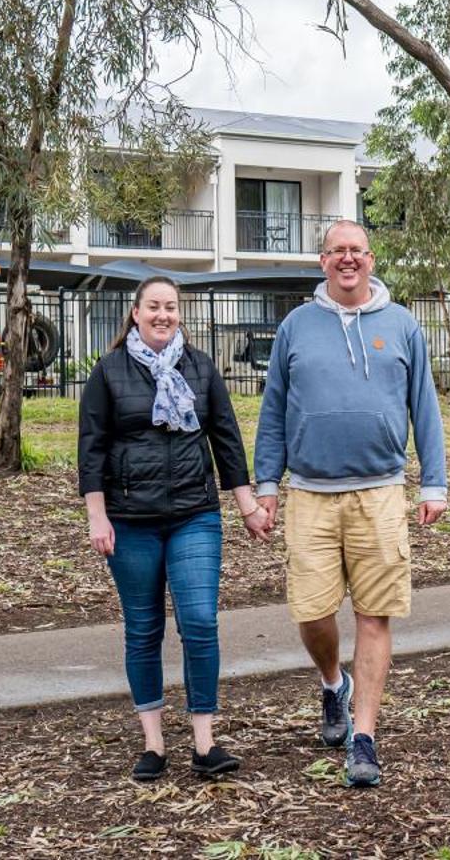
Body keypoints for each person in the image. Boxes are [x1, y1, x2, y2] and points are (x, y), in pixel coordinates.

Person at [254, 219, 448, 788]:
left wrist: (433, 484)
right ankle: (332, 683)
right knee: (311, 613)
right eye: (337, 251)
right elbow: (273, 412)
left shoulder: (402, 324)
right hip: (310, 494)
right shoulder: (296, 326)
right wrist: (267, 485)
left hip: (381, 492)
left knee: (374, 613)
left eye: (356, 250)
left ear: (370, 258)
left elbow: (425, 407)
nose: (347, 259)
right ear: (322, 262)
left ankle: (364, 737)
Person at [79, 275, 270, 782]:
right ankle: (154, 744)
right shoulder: (109, 371)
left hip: (194, 515)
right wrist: (96, 515)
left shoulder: (200, 368)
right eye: (154, 307)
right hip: (129, 521)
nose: (163, 315)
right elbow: (91, 449)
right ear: (136, 312)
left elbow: (226, 438)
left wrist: (247, 504)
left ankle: (205, 743)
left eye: (171, 307)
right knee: (144, 629)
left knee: (200, 622)